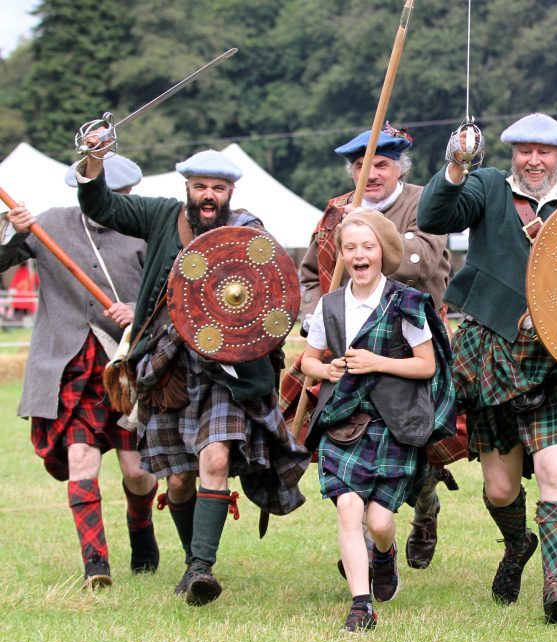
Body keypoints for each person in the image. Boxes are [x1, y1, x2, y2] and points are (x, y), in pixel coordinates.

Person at [74, 144, 309, 605]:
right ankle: (190, 562)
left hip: (228, 373)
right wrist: (94, 159)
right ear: (186, 187)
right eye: (200, 186)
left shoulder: (248, 232)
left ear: (230, 192)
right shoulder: (161, 216)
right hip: (167, 368)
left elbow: (270, 301)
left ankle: (203, 568)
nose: (208, 196)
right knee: (179, 479)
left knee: (216, 458)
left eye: (217, 188)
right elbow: (100, 203)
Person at [418, 113, 557, 624]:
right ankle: (517, 543)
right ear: (513, 153)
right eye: (525, 150)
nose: (534, 160)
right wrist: (456, 166)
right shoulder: (487, 186)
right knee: (500, 489)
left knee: (556, 471)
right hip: (492, 351)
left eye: (545, 152)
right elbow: (434, 216)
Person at [281, 124, 456, 571]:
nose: (371, 173)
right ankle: (361, 542)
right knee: (345, 442)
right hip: (346, 351)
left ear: (400, 167)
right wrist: (314, 315)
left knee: (420, 450)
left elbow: (420, 263)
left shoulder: (424, 202)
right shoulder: (335, 211)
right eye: (362, 166)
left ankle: (424, 510)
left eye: (381, 164)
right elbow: (308, 272)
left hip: (413, 346)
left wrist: (366, 232)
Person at [0, 155, 159, 587]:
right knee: (80, 459)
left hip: (126, 368)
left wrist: (138, 312)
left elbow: (167, 298)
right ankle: (95, 563)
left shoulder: (146, 230)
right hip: (71, 368)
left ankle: (141, 529)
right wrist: (13, 227)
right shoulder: (49, 223)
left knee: (137, 471)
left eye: (120, 196)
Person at [300, 209, 455, 632]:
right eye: (350, 248)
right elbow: (307, 361)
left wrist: (375, 362)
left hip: (395, 425)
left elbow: (426, 367)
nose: (358, 255)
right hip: (344, 424)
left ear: (382, 252)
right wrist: (326, 371)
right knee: (348, 509)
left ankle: (383, 556)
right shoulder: (330, 306)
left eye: (367, 247)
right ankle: (361, 604)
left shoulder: (404, 302)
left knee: (379, 522)